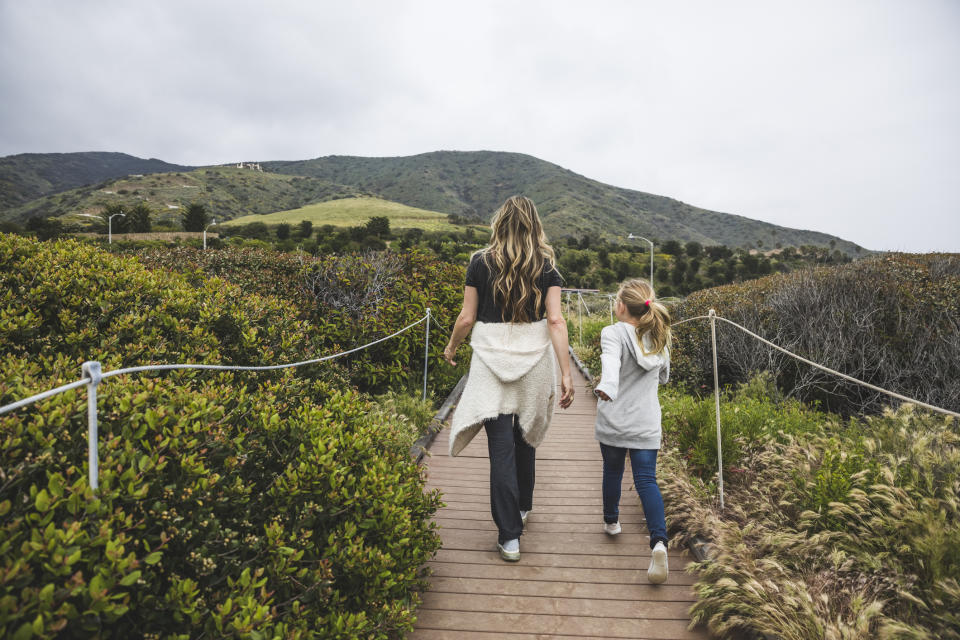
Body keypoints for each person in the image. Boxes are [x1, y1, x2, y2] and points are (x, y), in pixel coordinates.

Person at [443, 195, 574, 562]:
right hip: (534, 363)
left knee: (500, 447)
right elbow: (556, 321)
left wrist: (452, 347)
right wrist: (566, 373)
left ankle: (509, 537)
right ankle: (523, 508)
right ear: (534, 224)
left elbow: (467, 318)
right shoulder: (547, 265)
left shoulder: (479, 262)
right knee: (526, 436)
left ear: (500, 222)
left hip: (489, 362)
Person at [593, 278, 671, 584]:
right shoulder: (659, 332)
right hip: (646, 421)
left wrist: (607, 387)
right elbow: (663, 378)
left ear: (622, 306)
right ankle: (659, 542)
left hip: (614, 420)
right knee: (646, 481)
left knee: (612, 472)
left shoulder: (612, 332)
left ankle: (612, 522)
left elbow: (610, 365)